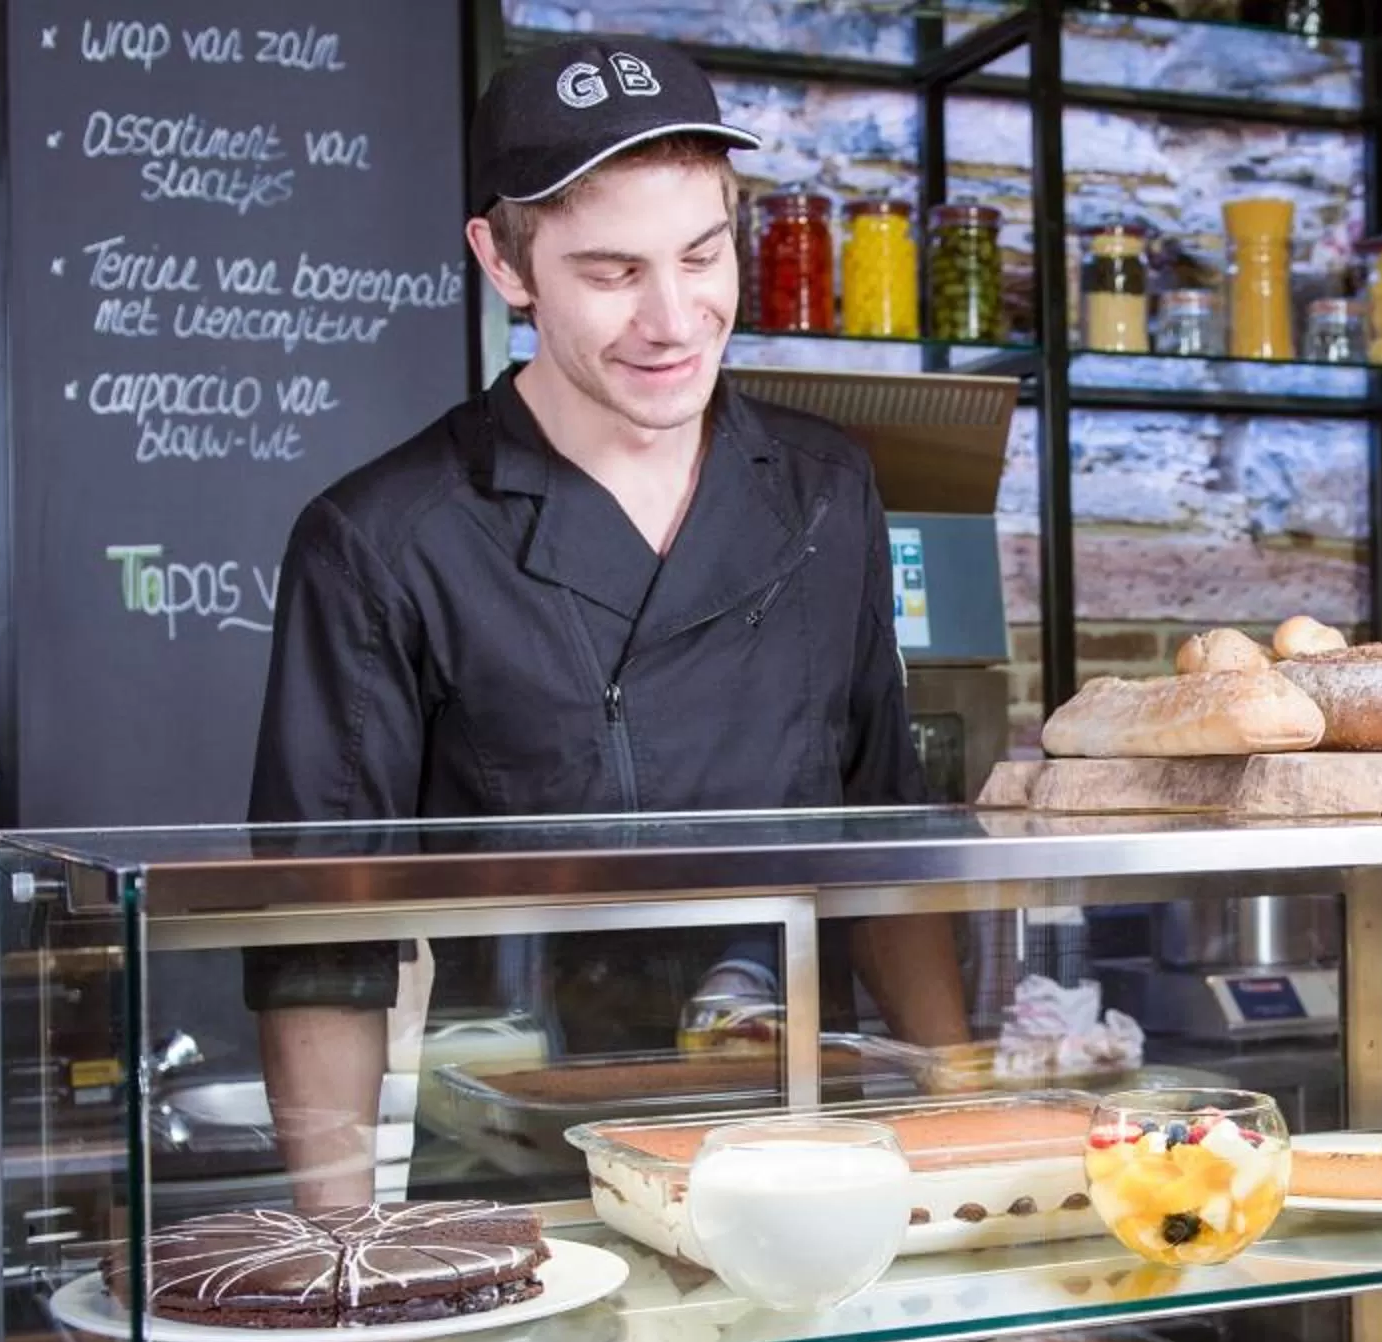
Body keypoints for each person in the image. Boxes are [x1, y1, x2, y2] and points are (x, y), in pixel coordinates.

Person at [246, 36, 966, 1206]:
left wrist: (956, 1118)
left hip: (803, 1154)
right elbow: (318, 941)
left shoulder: (827, 487)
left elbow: (887, 841)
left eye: (702, 252)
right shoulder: (384, 539)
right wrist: (348, 1250)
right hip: (519, 1162)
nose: (675, 318)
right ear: (505, 262)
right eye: (613, 272)